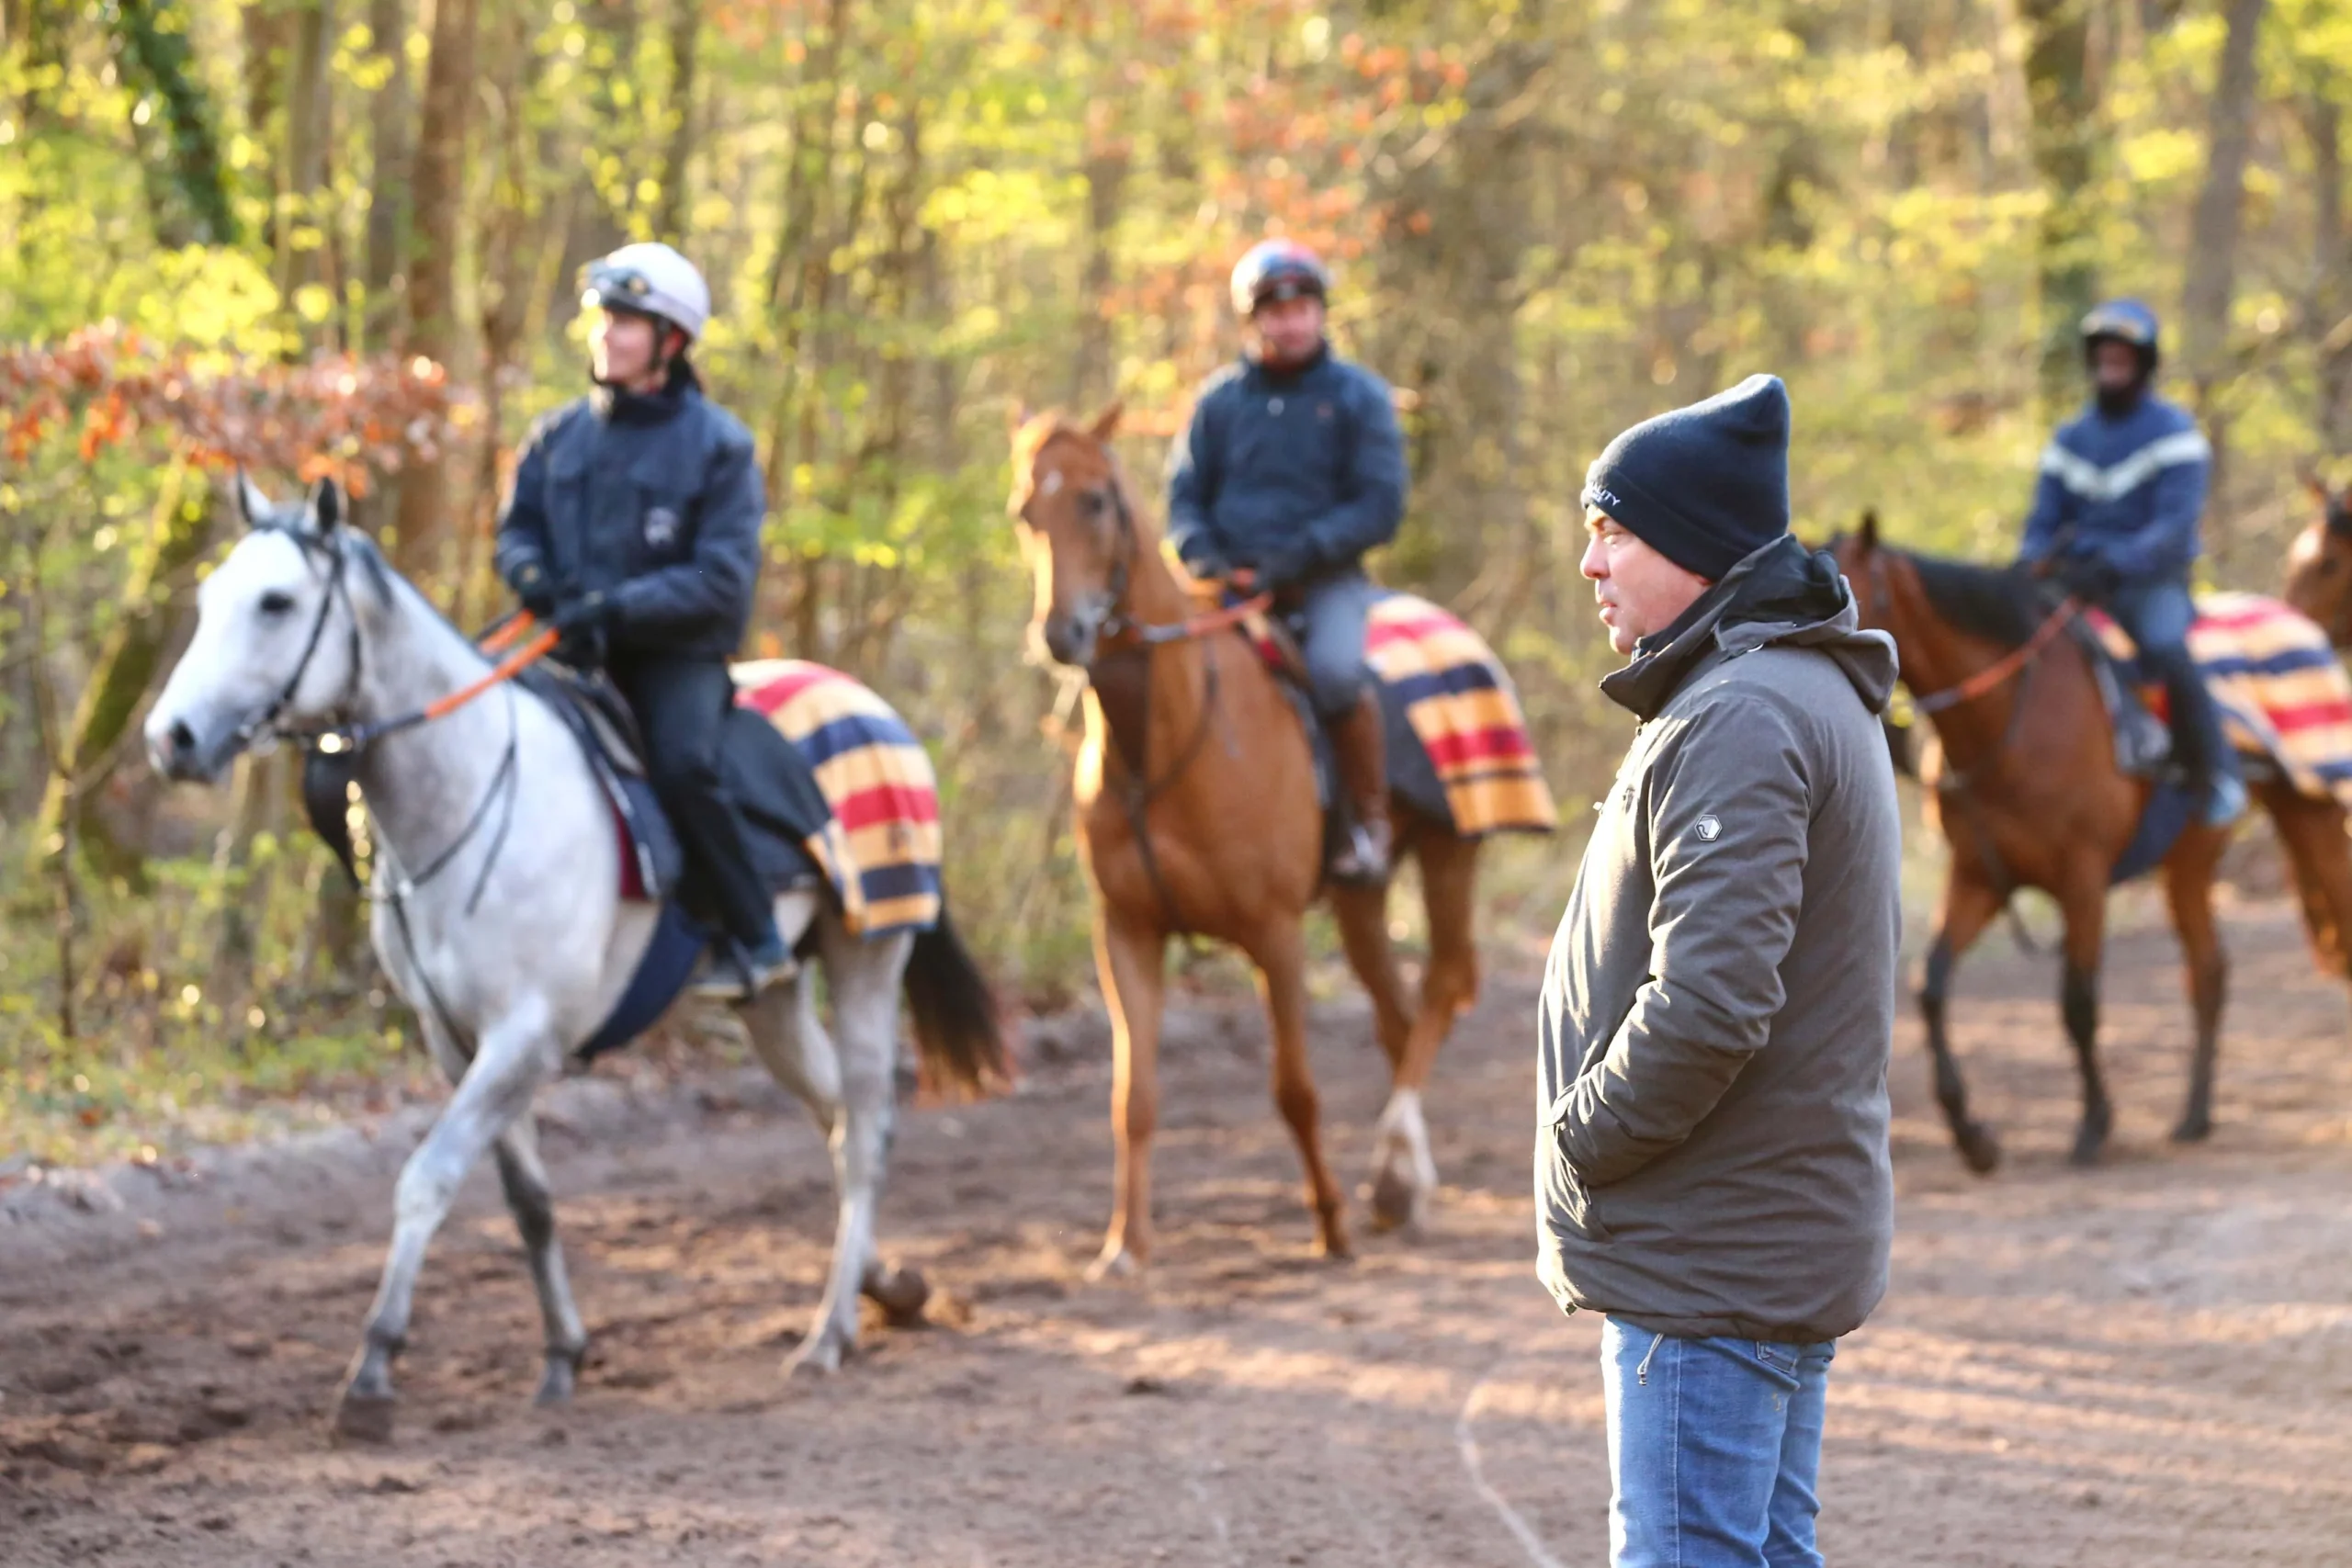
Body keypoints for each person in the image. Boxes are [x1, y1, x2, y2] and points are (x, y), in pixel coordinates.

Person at [1537, 375, 1902, 1568]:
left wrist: (1582, 1134)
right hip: (1748, 1237)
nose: (1589, 562)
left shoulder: (1741, 714)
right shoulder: (1780, 687)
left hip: (1708, 1257)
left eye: (1613, 530)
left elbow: (1708, 1002)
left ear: (1692, 546)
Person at [494, 242, 788, 1001]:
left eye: (626, 322)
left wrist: (618, 606)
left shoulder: (721, 447)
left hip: (672, 659)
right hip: (569, 649)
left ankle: (755, 936)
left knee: (685, 762)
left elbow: (721, 579)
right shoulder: (557, 437)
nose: (606, 334)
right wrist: (531, 577)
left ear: (671, 342)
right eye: (603, 318)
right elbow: (517, 528)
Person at [1164, 238, 1409, 882]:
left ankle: (1368, 822)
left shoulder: (1358, 396)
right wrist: (1205, 554)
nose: (1291, 320)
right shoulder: (1218, 403)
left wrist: (1295, 557)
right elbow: (1184, 496)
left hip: (1323, 582)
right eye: (1276, 310)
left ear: (1321, 313)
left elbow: (1379, 505)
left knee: (1332, 672)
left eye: (1303, 307)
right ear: (1254, 321)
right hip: (1226, 584)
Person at [2018, 299, 2242, 826]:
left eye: (2123, 355)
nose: (2111, 364)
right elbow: (2041, 522)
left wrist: (2115, 562)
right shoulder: (2069, 439)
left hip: (2150, 582)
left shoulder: (2175, 433)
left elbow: (2173, 527)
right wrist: (2031, 563)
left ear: (2143, 363)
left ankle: (2216, 771)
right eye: (2104, 354)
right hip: (2075, 580)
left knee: (2166, 646)